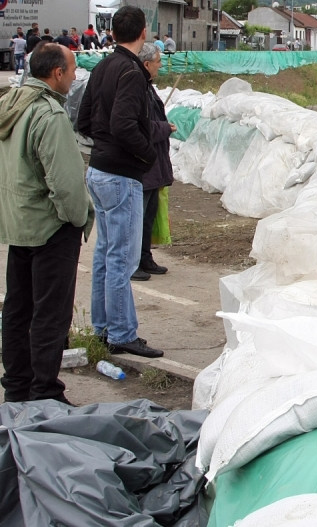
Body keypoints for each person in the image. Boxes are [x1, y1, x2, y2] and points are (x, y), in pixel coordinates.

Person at [0, 43, 94, 405]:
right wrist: (77, 219)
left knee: (18, 309)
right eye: (71, 70)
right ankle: (44, 392)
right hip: (50, 227)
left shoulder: (13, 103)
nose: (74, 76)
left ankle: (17, 388)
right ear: (57, 73)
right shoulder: (48, 114)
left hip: (19, 223)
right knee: (49, 314)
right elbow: (66, 184)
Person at [77, 6, 163, 359]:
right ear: (144, 32)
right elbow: (124, 124)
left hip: (98, 169)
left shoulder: (102, 67)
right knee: (122, 260)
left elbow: (83, 119)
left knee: (105, 255)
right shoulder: (131, 72)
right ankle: (122, 333)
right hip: (120, 175)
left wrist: (103, 146)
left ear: (111, 33)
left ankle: (102, 327)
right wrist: (147, 155)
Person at [133, 43, 174, 280]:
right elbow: (140, 127)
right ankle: (134, 261)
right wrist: (164, 128)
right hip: (144, 163)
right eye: (158, 62)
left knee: (149, 215)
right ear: (147, 64)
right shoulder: (137, 89)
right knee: (138, 217)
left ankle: (145, 257)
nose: (160, 66)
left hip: (153, 163)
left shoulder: (147, 87)